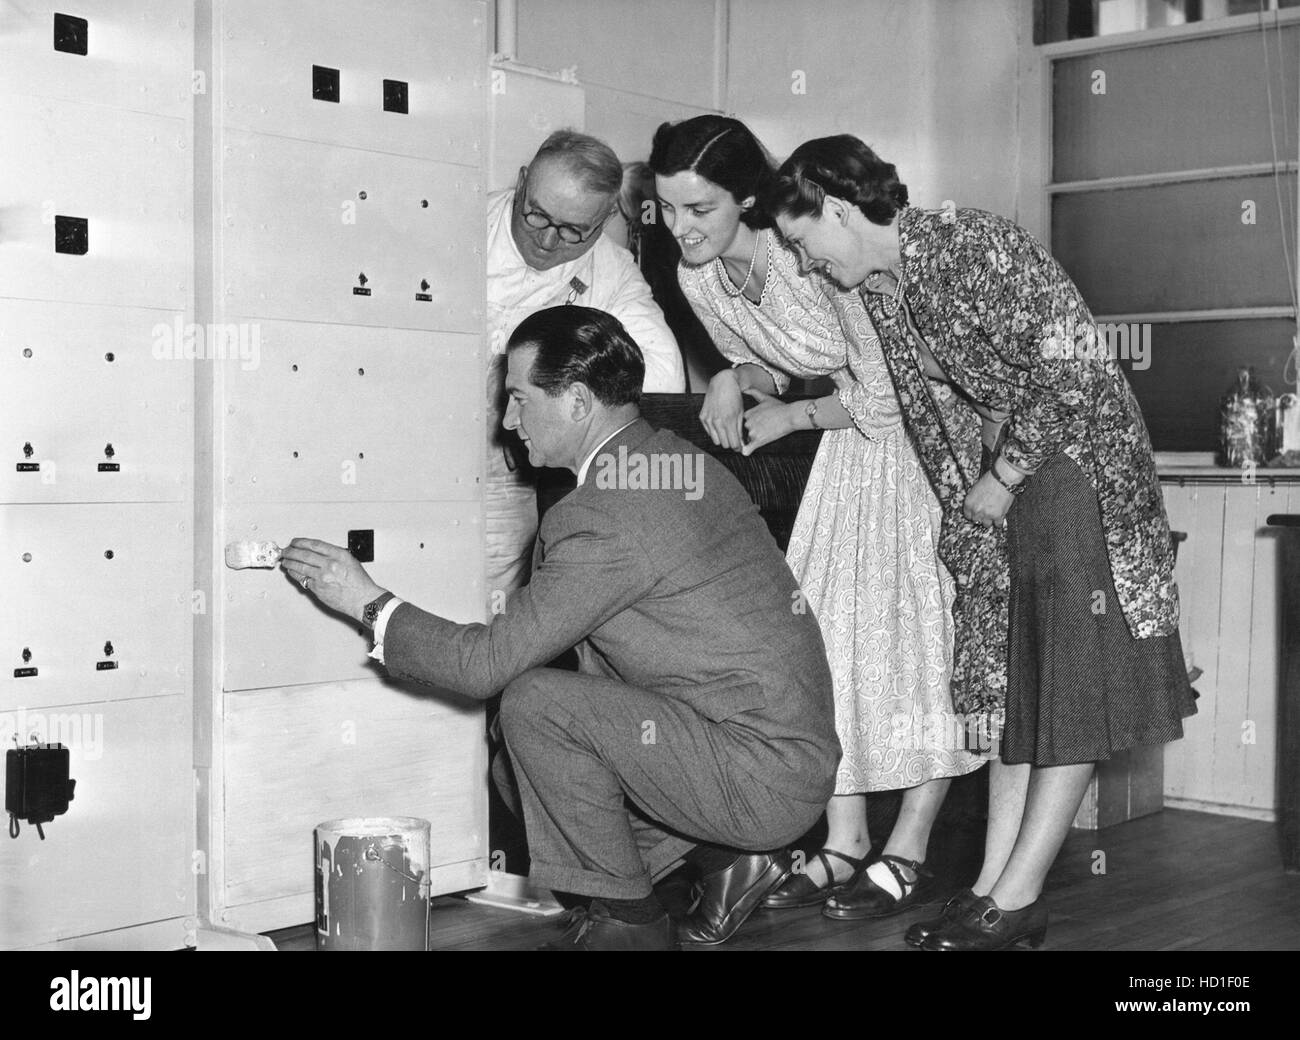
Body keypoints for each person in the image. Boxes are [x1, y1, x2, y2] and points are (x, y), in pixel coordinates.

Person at [281, 305, 838, 951]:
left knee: (534, 706)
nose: (507, 420)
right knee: (515, 760)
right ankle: (722, 862)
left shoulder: (606, 513)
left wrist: (366, 601)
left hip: (760, 773)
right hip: (762, 746)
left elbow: (483, 665)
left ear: (576, 401)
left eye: (518, 398)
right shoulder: (668, 460)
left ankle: (628, 924)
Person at [767, 135, 1197, 950]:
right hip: (1006, 481)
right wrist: (969, 520)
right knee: (1013, 683)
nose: (805, 263)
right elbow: (933, 425)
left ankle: (1022, 892)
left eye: (803, 242)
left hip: (1076, 464)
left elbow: (1072, 369)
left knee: (1069, 678)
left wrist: (1000, 477)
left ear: (840, 209)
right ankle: (994, 885)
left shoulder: (973, 245)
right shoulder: (889, 291)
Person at [649, 114, 983, 921]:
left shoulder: (809, 257)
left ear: (748, 199)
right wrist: (731, 376)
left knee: (914, 638)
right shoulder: (699, 278)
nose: (681, 228)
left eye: (700, 209)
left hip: (918, 438)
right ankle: (843, 841)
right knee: (824, 639)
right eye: (666, 209)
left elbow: (886, 388)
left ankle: (909, 843)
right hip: (851, 449)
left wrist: (792, 419)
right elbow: (776, 359)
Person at [485, 130, 685, 601]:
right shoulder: (459, 219)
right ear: (520, 184)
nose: (549, 240)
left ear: (603, 222)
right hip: (406, 444)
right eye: (536, 214)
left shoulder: (611, 270)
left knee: (484, 612)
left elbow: (661, 377)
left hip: (509, 468)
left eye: (574, 231)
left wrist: (542, 414)